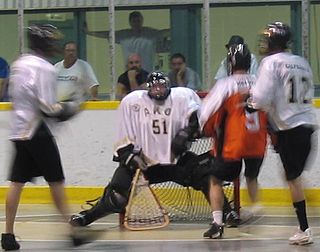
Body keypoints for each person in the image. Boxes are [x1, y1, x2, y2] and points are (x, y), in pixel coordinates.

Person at [69, 71, 237, 233]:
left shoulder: (182, 97)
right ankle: (87, 216)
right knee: (117, 196)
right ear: (147, 88)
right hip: (144, 165)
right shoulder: (132, 102)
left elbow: (199, 119)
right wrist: (131, 157)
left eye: (162, 86)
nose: (158, 90)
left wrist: (186, 134)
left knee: (206, 176)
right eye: (154, 87)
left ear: (168, 86)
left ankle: (226, 212)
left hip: (177, 161)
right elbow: (123, 139)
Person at [1, 24, 83, 251]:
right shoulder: (45, 68)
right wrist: (70, 109)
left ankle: (7, 234)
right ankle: (72, 232)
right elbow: (48, 107)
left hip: (19, 130)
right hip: (38, 131)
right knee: (56, 181)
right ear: (44, 43)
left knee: (16, 182)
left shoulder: (18, 63)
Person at [248, 22, 317, 245]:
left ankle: (304, 229)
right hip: (308, 126)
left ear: (273, 41)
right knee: (293, 177)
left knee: (292, 179)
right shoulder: (301, 61)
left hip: (288, 128)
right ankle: (303, 226)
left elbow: (260, 98)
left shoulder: (270, 62)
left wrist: (249, 104)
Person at [199, 43, 268, 239]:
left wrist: (204, 129)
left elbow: (206, 112)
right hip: (257, 142)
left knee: (215, 180)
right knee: (251, 177)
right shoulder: (259, 82)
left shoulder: (225, 84)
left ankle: (217, 223)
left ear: (231, 62)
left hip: (233, 143)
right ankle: (256, 207)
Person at [84, 11, 169, 72]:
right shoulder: (124, 35)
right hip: (130, 73)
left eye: (138, 21)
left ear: (142, 20)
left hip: (148, 73)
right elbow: (106, 34)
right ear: (130, 22)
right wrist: (89, 32)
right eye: (134, 21)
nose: (136, 23)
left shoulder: (150, 33)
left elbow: (165, 32)